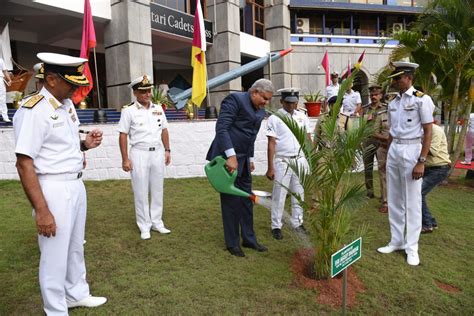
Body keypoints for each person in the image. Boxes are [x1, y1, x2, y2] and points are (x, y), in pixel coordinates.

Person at [13, 52, 107, 315]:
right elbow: (24, 163)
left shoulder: (65, 104)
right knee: (54, 255)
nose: (76, 88)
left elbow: (58, 147)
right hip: (53, 188)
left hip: (75, 184)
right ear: (52, 80)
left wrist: (84, 146)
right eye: (71, 83)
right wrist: (42, 210)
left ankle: (76, 293)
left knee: (75, 246)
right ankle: (55, 310)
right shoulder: (33, 110)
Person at [206, 78, 273, 257]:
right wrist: (231, 156)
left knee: (246, 199)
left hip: (243, 161)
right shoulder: (234, 100)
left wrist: (249, 157)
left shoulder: (260, 109)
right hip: (227, 160)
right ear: (254, 92)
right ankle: (232, 243)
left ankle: (249, 239)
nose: (266, 103)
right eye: (264, 98)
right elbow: (222, 128)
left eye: (268, 100)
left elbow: (250, 135)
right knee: (230, 202)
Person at [377, 61, 434, 266]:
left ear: (409, 78)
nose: (394, 81)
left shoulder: (422, 100)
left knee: (412, 201)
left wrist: (422, 161)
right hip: (395, 150)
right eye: (394, 78)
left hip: (412, 150)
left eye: (398, 78)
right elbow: (392, 132)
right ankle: (397, 240)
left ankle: (412, 247)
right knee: (394, 198)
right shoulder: (393, 102)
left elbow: (428, 131)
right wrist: (388, 156)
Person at [118, 74, 171, 240]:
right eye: (143, 91)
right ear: (135, 93)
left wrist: (168, 150)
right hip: (139, 153)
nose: (147, 94)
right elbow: (123, 135)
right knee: (140, 191)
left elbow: (164, 130)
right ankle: (144, 225)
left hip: (157, 152)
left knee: (157, 189)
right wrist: (125, 158)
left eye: (149, 90)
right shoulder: (128, 111)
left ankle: (157, 222)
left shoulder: (158, 109)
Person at [266, 88, 310, 240]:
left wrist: (310, 159)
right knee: (279, 194)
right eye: (288, 103)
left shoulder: (302, 116)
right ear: (281, 101)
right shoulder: (275, 117)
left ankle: (297, 222)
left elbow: (307, 138)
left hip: (300, 159)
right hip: (282, 160)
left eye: (294, 103)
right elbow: (271, 143)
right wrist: (270, 167)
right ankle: (276, 225)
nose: (291, 106)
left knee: (299, 193)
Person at [361, 85, 389, 213]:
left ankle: (384, 197)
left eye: (376, 94)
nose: (373, 97)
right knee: (368, 168)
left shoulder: (386, 109)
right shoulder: (365, 110)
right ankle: (370, 191)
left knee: (383, 170)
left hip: (381, 143)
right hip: (368, 142)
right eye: (372, 95)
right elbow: (360, 126)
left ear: (381, 95)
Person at [421, 123, 451, 233]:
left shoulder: (435, 130)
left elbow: (432, 151)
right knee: (418, 193)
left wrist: (412, 144)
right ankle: (431, 221)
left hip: (439, 168)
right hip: (427, 167)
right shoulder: (420, 129)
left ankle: (427, 224)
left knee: (418, 193)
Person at [1, 56, 13, 122]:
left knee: (2, 98)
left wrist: (9, 79)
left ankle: (5, 116)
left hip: (0, 79)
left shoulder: (0, 60)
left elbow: (5, 71)